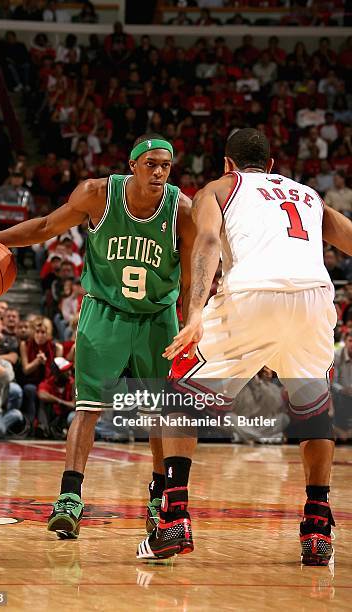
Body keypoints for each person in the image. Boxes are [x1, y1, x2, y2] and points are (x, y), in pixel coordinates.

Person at [0, 133, 194, 541]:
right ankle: (69, 497)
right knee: (87, 408)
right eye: (152, 164)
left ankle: (159, 498)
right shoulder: (97, 195)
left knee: (161, 414)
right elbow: (48, 226)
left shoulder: (183, 210)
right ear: (133, 165)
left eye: (166, 166)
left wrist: (191, 321)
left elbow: (192, 277)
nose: (159, 172)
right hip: (104, 312)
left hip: (158, 317)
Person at [156, 128, 352, 566]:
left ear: (228, 163)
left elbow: (206, 241)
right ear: (272, 165)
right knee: (313, 412)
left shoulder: (219, 188)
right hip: (316, 298)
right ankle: (317, 527)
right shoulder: (307, 194)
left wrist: (194, 313)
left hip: (252, 295)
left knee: (177, 397)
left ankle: (172, 515)